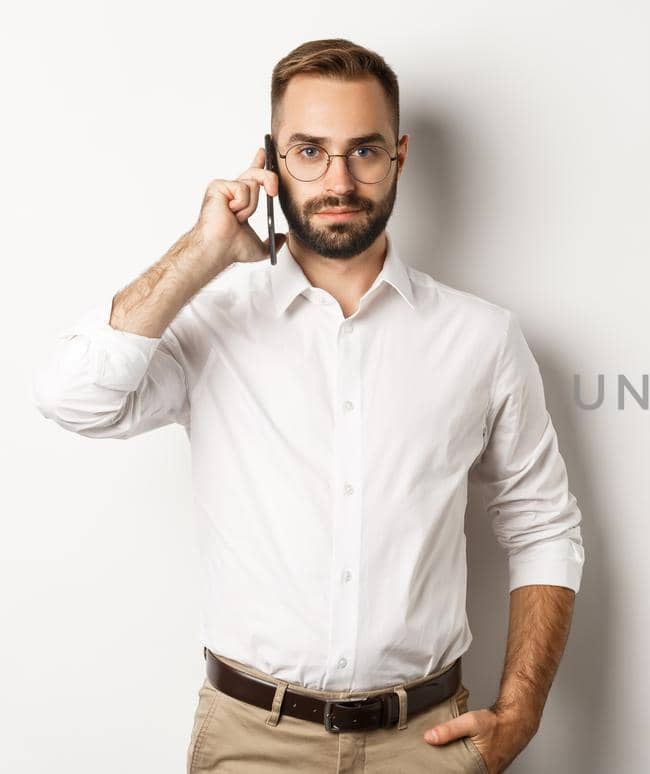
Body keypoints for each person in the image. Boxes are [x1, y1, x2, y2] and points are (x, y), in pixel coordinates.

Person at [31, 38, 583, 773]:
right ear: (269, 159)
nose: (339, 179)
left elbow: (543, 523)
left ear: (400, 156)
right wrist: (202, 250)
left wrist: (520, 714)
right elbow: (72, 399)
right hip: (251, 741)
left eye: (365, 151)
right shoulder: (211, 322)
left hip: (426, 743)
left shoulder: (481, 338)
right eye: (309, 151)